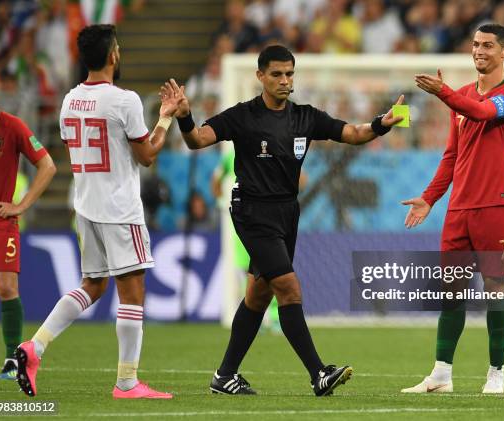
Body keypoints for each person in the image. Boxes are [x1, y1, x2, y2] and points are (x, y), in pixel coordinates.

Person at [164, 44, 405, 396]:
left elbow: (353, 133)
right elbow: (197, 140)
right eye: (276, 74)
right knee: (289, 289)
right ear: (260, 76)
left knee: (258, 297)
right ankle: (318, 374)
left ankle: (225, 375)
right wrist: (185, 115)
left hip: (287, 212)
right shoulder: (242, 116)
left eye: (289, 74)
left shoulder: (305, 117)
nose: (284, 80)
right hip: (252, 212)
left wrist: (381, 124)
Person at [15, 24, 177, 399]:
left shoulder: (70, 99)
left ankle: (34, 347)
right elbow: (147, 156)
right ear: (113, 55)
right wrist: (166, 116)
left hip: (85, 206)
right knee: (133, 292)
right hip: (119, 208)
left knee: (93, 285)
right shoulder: (124, 100)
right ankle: (126, 382)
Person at [401, 23, 504, 394]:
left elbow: (482, 113)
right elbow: (452, 156)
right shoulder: (460, 97)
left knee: (494, 289)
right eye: (475, 44)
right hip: (459, 209)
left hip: (496, 206)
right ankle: (441, 374)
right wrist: (430, 197)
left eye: (488, 45)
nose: (479, 51)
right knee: (451, 291)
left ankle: (496, 374)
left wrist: (442, 92)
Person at [0, 72, 56, 380]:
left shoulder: (12, 126)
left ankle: (13, 358)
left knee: (6, 287)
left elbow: (47, 165)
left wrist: (22, 204)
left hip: (1, 221)